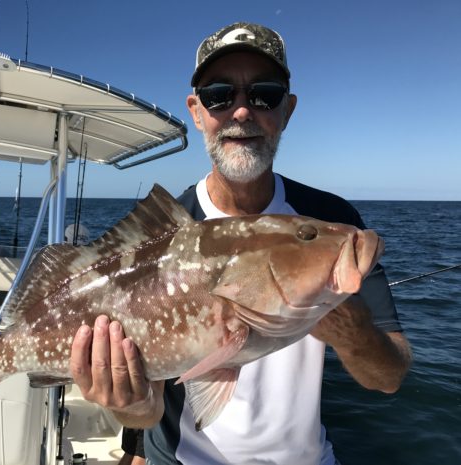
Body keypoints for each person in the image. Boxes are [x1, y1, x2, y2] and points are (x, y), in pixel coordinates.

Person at [69, 22, 412, 465]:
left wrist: (354, 332)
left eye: (263, 95)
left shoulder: (334, 221)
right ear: (196, 111)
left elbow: (389, 377)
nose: (242, 112)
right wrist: (127, 403)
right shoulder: (161, 233)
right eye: (219, 95)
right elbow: (148, 413)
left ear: (286, 110)